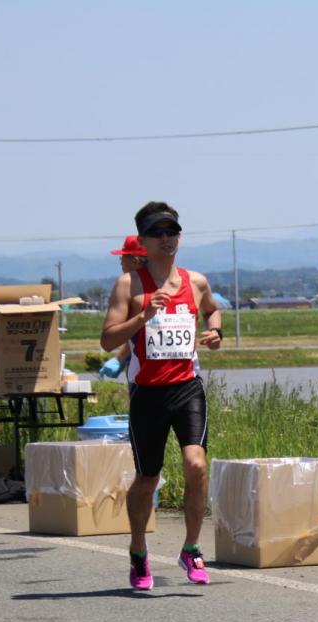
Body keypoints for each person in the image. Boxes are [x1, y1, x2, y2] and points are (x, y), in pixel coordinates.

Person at [101, 202, 223, 590]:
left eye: (172, 231)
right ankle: (138, 551)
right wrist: (142, 317)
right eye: (158, 233)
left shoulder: (196, 280)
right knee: (148, 477)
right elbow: (107, 341)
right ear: (143, 240)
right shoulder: (129, 285)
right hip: (147, 393)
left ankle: (191, 547)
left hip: (187, 386)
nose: (166, 239)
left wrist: (215, 333)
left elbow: (212, 311)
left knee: (196, 464)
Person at [99, 235, 147, 379]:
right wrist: (120, 358)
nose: (121, 263)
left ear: (135, 261)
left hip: (141, 375)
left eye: (122, 258)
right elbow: (140, 334)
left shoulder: (130, 288)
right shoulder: (165, 283)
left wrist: (118, 359)